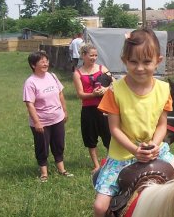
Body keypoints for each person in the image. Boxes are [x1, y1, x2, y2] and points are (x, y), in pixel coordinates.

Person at [88, 28, 174, 217]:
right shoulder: (115, 91)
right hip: (122, 155)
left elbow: (162, 124)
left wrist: (156, 144)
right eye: (133, 62)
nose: (140, 68)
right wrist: (134, 150)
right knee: (100, 207)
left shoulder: (163, 89)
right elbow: (114, 129)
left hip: (156, 148)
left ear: (158, 61)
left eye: (146, 61)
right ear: (124, 61)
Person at [23, 50, 73, 182]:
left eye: (47, 61)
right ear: (33, 65)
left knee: (59, 144)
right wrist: (37, 122)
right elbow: (29, 104)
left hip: (57, 118)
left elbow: (60, 94)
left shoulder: (52, 76)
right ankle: (44, 174)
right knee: (42, 147)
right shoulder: (30, 82)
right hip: (42, 121)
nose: (46, 64)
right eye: (42, 62)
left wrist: (64, 111)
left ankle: (62, 170)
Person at [72, 44, 112, 173]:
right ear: (83, 55)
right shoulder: (77, 73)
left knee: (109, 136)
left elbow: (115, 83)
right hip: (88, 110)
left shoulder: (102, 69)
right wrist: (93, 94)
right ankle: (96, 165)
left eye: (95, 55)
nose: (94, 58)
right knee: (90, 138)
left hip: (104, 108)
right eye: (91, 55)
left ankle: (110, 162)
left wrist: (106, 89)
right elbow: (80, 94)